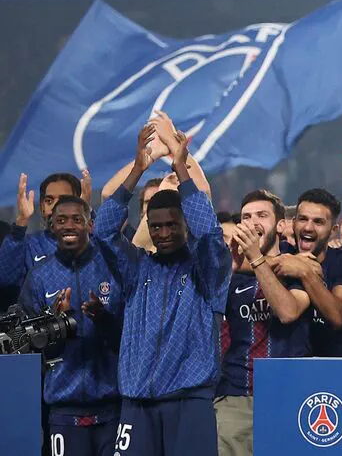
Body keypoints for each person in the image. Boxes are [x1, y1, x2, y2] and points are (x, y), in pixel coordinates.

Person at [94, 116, 231, 456]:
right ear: (147, 227)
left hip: (189, 402)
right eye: (156, 227)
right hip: (136, 403)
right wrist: (138, 170)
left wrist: (181, 168)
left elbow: (209, 233)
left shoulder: (208, 271)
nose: (164, 233)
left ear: (185, 224)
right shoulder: (136, 268)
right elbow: (103, 232)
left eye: (173, 225)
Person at [19, 195, 123, 456]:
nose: (69, 226)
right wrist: (57, 325)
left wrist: (103, 319)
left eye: (77, 219)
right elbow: (26, 344)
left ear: (90, 225)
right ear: (51, 226)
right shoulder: (39, 276)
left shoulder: (111, 267)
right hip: (64, 411)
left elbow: (129, 336)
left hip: (113, 409)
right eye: (61, 220)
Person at [268, 129, 342, 357]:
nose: (308, 227)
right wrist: (284, 261)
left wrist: (305, 273)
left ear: (333, 230)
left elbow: (338, 316)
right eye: (302, 219)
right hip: (297, 370)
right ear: (293, 223)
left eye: (318, 222)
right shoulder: (284, 253)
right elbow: (246, 263)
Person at [215, 189, 308, 456]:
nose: (253, 222)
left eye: (262, 215)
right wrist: (229, 270)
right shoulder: (228, 275)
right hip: (235, 398)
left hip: (288, 397)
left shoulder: (299, 270)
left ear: (280, 225)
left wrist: (256, 259)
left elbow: (288, 312)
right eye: (246, 216)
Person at [0, 171, 90, 289]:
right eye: (49, 201)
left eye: (64, 200)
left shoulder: (94, 241)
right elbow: (6, 279)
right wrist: (21, 221)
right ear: (42, 208)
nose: (55, 207)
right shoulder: (29, 245)